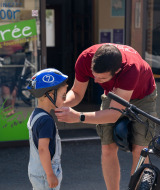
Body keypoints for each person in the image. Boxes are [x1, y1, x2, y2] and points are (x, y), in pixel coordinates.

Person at [54, 43, 157, 190]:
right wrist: (59, 102)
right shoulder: (85, 58)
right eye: (94, 76)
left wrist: (79, 117)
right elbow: (76, 93)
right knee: (108, 147)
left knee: (139, 150)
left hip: (143, 96)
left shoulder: (130, 67)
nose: (95, 81)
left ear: (117, 71)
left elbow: (114, 114)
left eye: (102, 78)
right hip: (114, 92)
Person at [27, 68, 68, 190]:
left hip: (36, 170)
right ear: (50, 95)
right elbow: (43, 149)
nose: (65, 100)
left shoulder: (35, 115)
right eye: (63, 96)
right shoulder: (46, 121)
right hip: (45, 174)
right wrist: (50, 174)